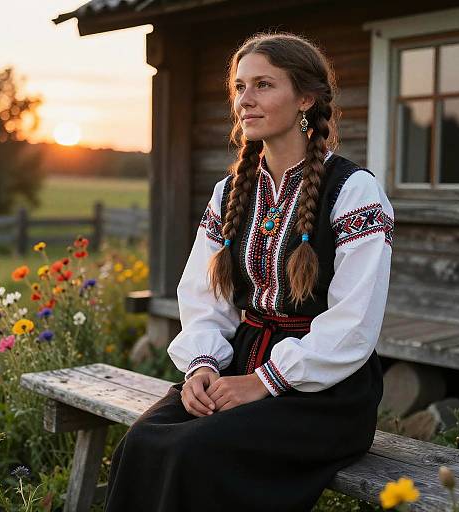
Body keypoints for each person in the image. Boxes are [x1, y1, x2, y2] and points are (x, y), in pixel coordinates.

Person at [104, 31, 394, 512]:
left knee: (191, 453)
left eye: (263, 85)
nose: (245, 100)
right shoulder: (230, 193)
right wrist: (202, 365)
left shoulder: (354, 191)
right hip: (239, 363)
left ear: (305, 97)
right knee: (141, 441)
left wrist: (264, 381)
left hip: (324, 393)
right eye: (240, 87)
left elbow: (354, 324)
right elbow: (203, 296)